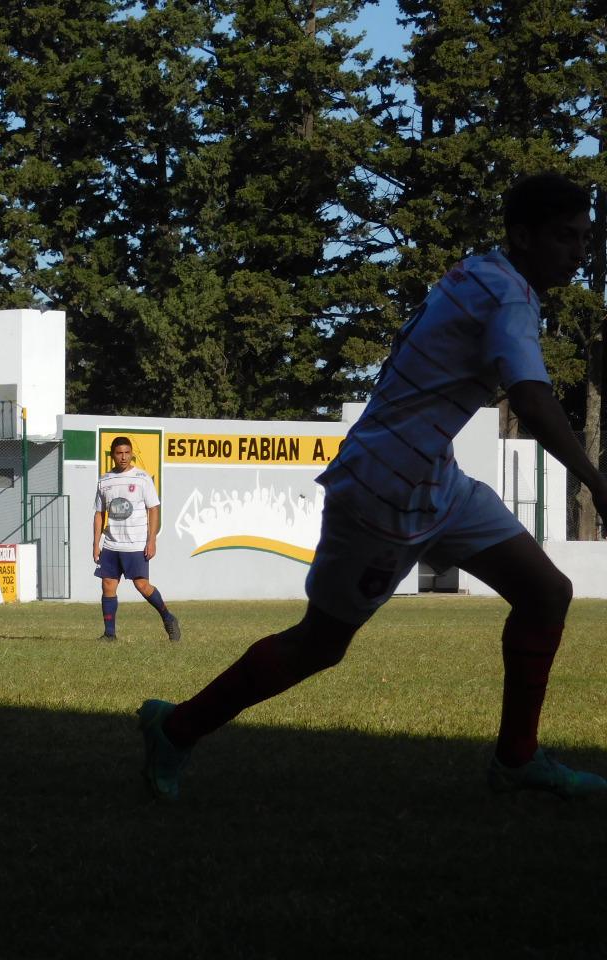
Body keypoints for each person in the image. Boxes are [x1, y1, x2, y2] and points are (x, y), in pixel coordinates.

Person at [139, 172, 607, 802]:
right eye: (565, 237)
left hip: (432, 477)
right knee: (319, 644)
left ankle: (517, 761)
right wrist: (596, 483)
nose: (578, 252)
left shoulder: (485, 275)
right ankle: (175, 728)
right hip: (385, 490)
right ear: (522, 236)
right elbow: (529, 394)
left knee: (547, 592)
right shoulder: (509, 297)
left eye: (585, 238)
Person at [94, 437, 181, 643]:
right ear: (112, 455)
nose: (123, 457)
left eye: (127, 452)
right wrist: (95, 543)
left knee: (142, 585)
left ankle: (168, 618)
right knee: (108, 585)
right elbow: (99, 513)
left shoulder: (142, 478)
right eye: (119, 453)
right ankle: (109, 634)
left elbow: (153, 509)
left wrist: (152, 540)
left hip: (135, 544)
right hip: (111, 543)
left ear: (131, 453)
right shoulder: (104, 481)